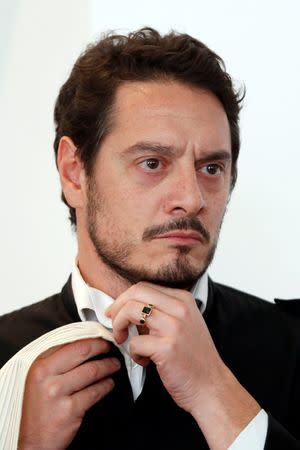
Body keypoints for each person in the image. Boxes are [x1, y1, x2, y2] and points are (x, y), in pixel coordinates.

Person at [0, 27, 299, 450]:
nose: (192, 199)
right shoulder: (6, 359)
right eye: (153, 162)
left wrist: (216, 396)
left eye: (211, 168)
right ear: (74, 172)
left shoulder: (292, 349)